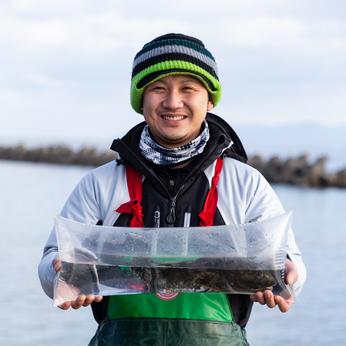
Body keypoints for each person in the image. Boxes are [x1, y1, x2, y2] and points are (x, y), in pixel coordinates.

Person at [38, 33, 306, 345]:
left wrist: (287, 275)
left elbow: (291, 264)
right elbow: (51, 259)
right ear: (141, 101)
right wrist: (60, 275)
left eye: (187, 89)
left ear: (209, 99)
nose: (173, 102)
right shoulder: (101, 183)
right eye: (158, 89)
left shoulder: (244, 183)